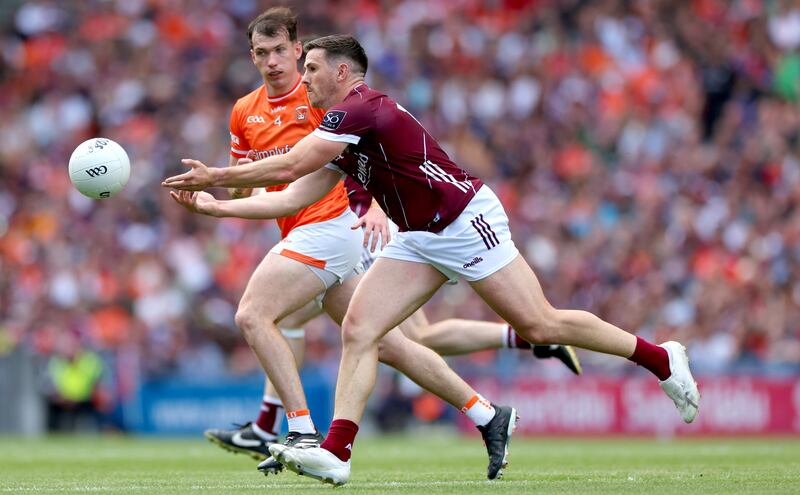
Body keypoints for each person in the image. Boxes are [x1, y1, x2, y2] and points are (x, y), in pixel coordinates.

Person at [163, 35, 699, 486]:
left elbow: (297, 160)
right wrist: (218, 210)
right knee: (360, 329)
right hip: (418, 235)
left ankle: (661, 359)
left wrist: (216, 175)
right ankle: (337, 452)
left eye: (311, 68)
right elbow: (295, 193)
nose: (303, 78)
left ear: (344, 71)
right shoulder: (338, 123)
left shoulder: (360, 108)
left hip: (465, 221)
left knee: (540, 322)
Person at [184, 9, 521, 481]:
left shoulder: (323, 94)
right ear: (252, 57)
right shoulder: (245, 111)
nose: (273, 62)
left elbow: (370, 154)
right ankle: (488, 415)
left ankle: (297, 431)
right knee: (385, 343)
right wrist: (213, 200)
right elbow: (251, 187)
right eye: (262, 53)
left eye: (282, 51)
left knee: (254, 315)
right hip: (304, 231)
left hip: (332, 227)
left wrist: (381, 208)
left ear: (298, 51)